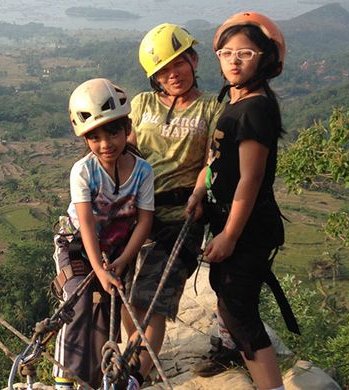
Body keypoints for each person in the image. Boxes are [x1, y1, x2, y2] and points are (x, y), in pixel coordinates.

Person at [186, 12, 300, 390]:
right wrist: (201, 190)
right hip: (233, 223)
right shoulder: (238, 102)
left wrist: (230, 235)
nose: (233, 60)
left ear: (265, 59)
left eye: (246, 53)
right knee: (225, 289)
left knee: (239, 310)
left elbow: (250, 179)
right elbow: (218, 159)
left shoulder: (254, 109)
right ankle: (230, 351)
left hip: (249, 230)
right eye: (226, 52)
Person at [125, 23, 227, 386]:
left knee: (149, 298)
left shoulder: (212, 108)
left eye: (178, 64)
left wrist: (200, 194)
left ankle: (135, 374)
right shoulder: (142, 104)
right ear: (155, 77)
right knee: (121, 292)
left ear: (193, 59)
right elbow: (128, 150)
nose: (173, 74)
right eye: (163, 70)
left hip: (178, 215)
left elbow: (210, 162)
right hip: (135, 210)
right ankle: (136, 356)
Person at [51, 78, 154, 389]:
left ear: (126, 129)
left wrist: (122, 262)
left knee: (107, 313)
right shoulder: (83, 171)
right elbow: (86, 224)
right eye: (94, 137)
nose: (105, 143)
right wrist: (100, 269)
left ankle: (98, 378)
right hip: (76, 244)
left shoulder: (142, 171)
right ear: (85, 140)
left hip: (116, 248)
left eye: (112, 132)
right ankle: (63, 377)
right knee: (77, 300)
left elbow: (145, 222)